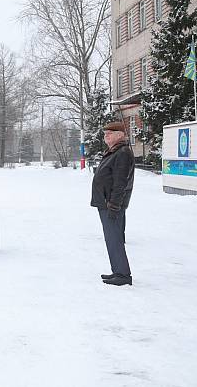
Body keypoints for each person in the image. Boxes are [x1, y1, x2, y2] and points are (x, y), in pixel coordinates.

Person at [91, 122, 135, 287]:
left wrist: (114, 205)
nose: (106, 136)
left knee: (114, 239)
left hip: (111, 204)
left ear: (120, 135)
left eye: (110, 133)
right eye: (105, 133)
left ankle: (123, 274)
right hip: (106, 202)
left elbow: (120, 183)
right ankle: (117, 271)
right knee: (111, 238)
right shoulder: (114, 152)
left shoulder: (122, 153)